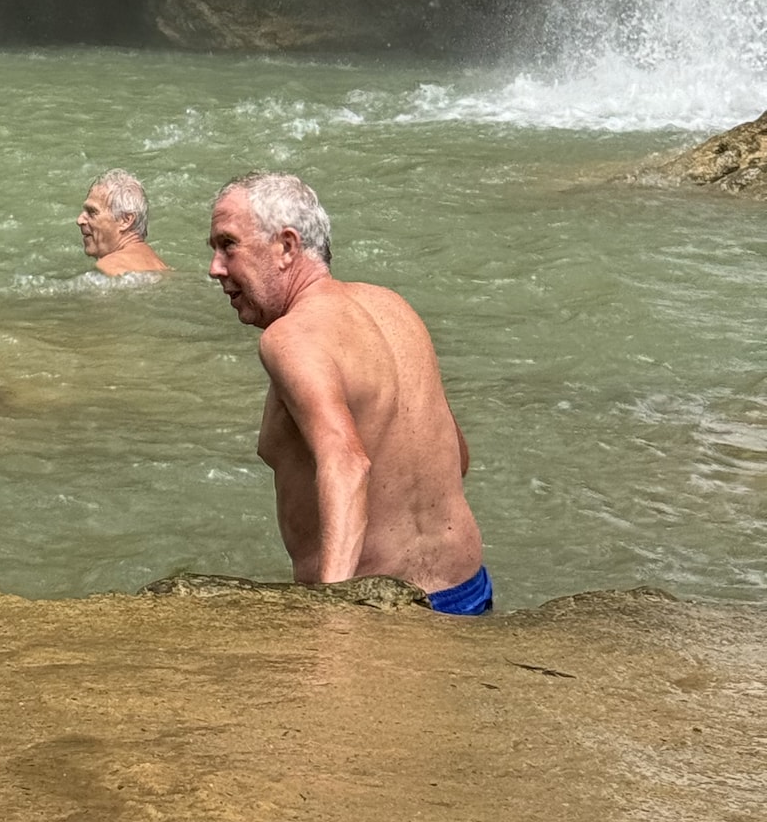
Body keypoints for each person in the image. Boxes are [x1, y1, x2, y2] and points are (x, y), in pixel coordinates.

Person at [207, 170, 491, 613]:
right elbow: (458, 455)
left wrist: (333, 621)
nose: (215, 268)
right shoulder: (393, 306)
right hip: (468, 588)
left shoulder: (289, 339)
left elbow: (346, 463)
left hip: (385, 610)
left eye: (228, 245)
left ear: (286, 246)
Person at [77, 171, 169, 276]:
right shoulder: (161, 267)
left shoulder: (109, 267)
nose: (79, 220)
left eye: (92, 212)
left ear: (126, 220)